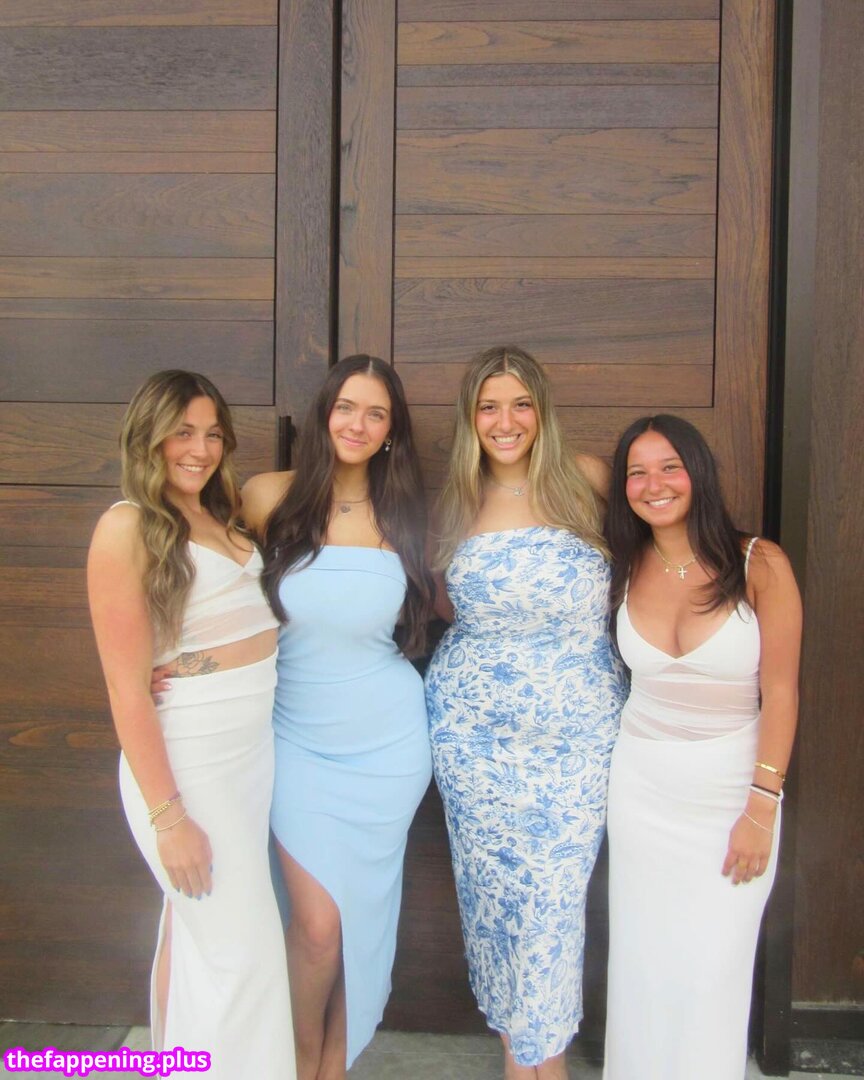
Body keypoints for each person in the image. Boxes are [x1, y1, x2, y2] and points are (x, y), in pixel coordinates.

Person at [424, 345, 628, 1080]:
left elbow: (656, 555)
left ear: (542, 411)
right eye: (488, 406)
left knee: (552, 902)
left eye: (519, 404)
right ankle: (525, 1061)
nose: (504, 421)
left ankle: (543, 1063)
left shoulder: (589, 481)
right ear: (470, 417)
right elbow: (442, 608)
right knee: (499, 902)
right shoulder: (456, 500)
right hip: (475, 738)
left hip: (578, 737)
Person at [87, 370, 295, 1080]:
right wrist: (170, 819)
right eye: (182, 432)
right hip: (190, 764)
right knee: (241, 955)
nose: (200, 450)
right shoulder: (125, 526)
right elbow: (126, 688)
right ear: (149, 436)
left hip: (249, 759)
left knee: (206, 947)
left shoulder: (222, 516)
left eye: (212, 434)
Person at [241, 354, 434, 1080]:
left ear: (391, 431)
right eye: (347, 407)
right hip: (296, 740)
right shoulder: (268, 496)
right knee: (318, 927)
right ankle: (295, 1060)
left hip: (390, 744)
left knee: (361, 920)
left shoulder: (407, 515)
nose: (359, 424)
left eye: (376, 413)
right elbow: (202, 575)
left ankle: (334, 1067)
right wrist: (176, 660)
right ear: (325, 413)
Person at [601, 415, 802, 1080]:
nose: (653, 484)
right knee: (644, 966)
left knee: (713, 972)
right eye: (636, 472)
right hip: (641, 788)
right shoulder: (623, 566)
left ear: (699, 472)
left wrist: (761, 807)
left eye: (670, 467)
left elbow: (781, 691)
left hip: (730, 793)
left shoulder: (759, 563)